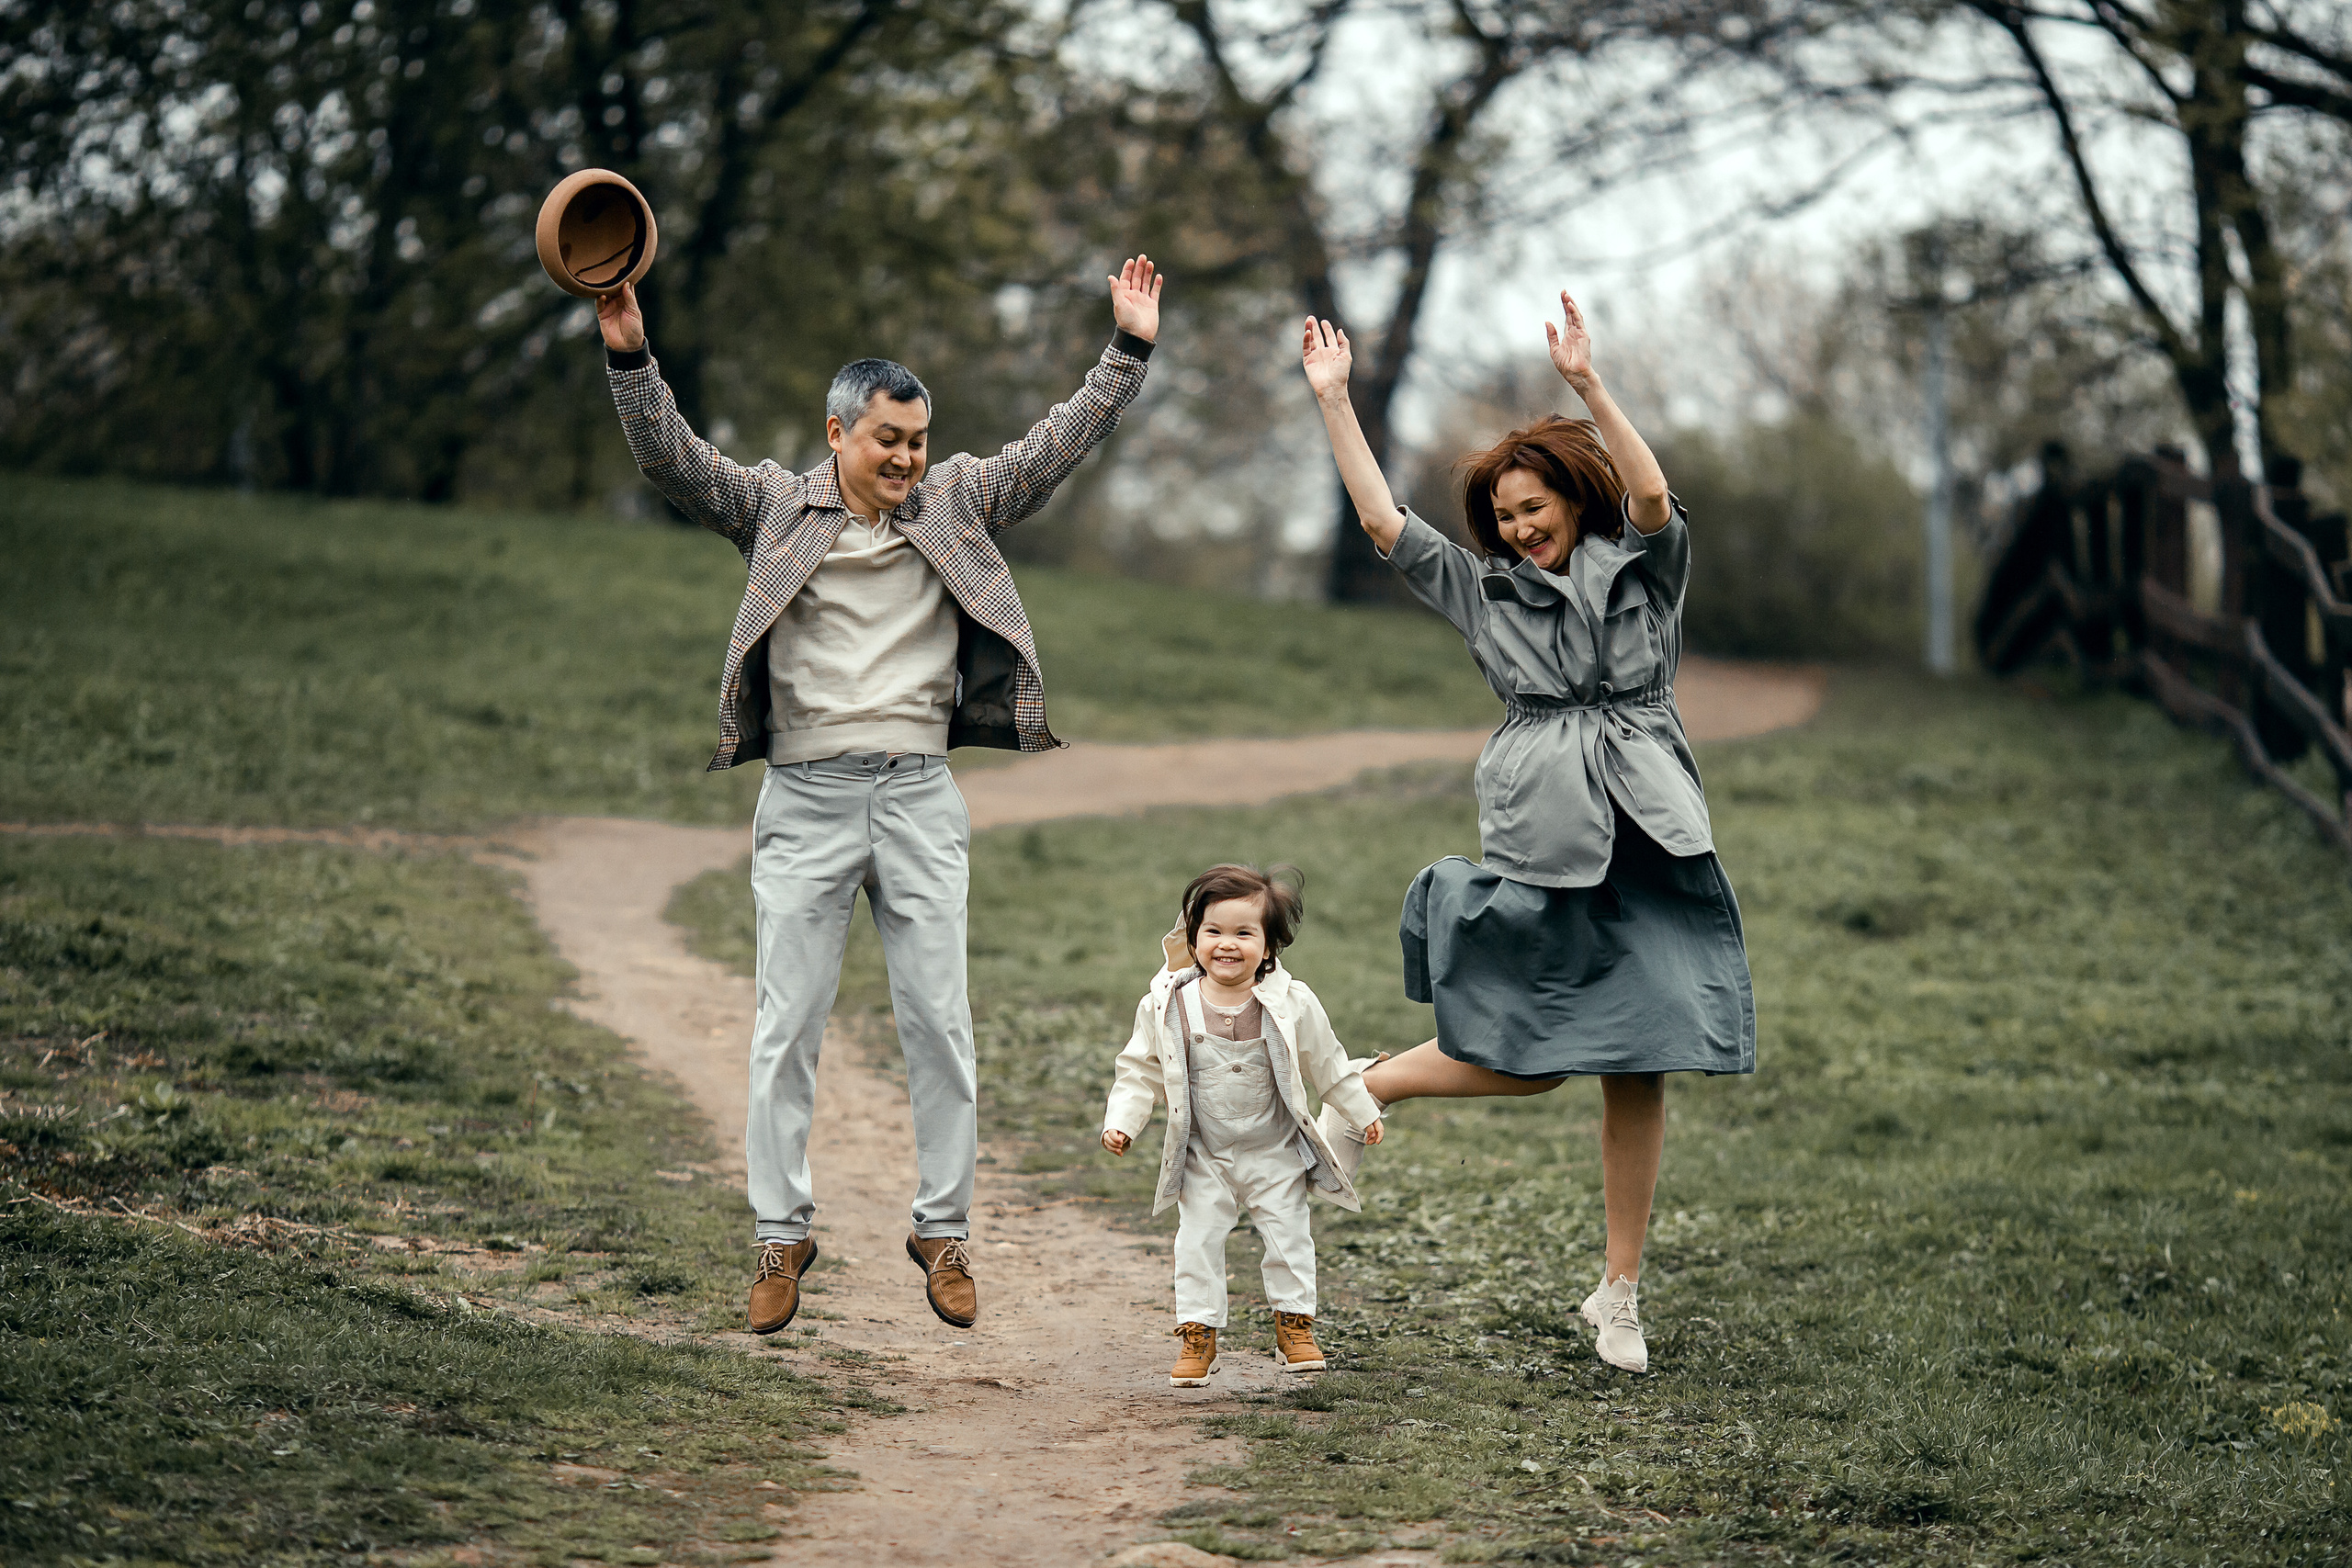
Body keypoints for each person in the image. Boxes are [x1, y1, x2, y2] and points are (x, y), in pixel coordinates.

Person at [593, 258, 1167, 1336]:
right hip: (806, 799)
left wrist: (1125, 352)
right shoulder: (774, 506)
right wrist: (628, 346)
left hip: (916, 797)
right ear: (837, 434)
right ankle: (780, 1236)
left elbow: (1056, 446)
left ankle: (942, 1232)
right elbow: (671, 459)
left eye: (918, 440)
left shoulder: (957, 500)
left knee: (939, 1023)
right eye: (887, 439)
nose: (906, 458)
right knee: (786, 1028)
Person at [1299, 291, 1756, 1375]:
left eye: (1532, 505)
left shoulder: (1644, 570)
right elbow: (1383, 525)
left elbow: (1652, 496)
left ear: (1571, 498)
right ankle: (1372, 1085)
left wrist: (1587, 384)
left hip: (1651, 833)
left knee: (1641, 1064)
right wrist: (1334, 401)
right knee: (1531, 1053)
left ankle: (1618, 1293)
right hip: (1547, 832)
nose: (1517, 526)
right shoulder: (1485, 594)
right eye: (1503, 514)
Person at [1100, 864, 1385, 1385]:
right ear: (1192, 940)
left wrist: (1361, 1109)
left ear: (1269, 946)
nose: (1227, 944)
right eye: (1213, 931)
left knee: (1290, 1237)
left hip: (1274, 1150)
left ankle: (1294, 1325)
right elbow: (1140, 1069)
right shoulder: (1168, 1005)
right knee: (1196, 1241)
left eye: (1244, 933)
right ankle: (1199, 1332)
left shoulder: (1292, 1003)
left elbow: (1328, 1062)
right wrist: (1123, 1122)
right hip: (1204, 1153)